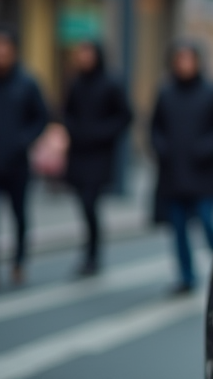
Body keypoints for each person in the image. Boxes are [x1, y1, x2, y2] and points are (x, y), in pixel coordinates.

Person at [151, 41, 213, 293]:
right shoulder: (166, 92)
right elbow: (155, 127)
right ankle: (186, 276)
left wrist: (206, 149)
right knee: (178, 228)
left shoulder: (212, 93)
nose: (183, 64)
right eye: (179, 59)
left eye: (188, 59)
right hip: (174, 173)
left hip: (202, 173)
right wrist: (161, 149)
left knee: (207, 222)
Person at [0, 26, 50, 289]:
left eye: (4, 47)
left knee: (19, 215)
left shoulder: (27, 83)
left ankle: (19, 262)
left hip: (17, 164)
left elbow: (42, 117)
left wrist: (23, 140)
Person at [63, 41, 132, 276]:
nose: (83, 58)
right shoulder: (75, 83)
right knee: (83, 203)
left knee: (90, 202)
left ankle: (92, 254)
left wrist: (100, 133)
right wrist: (73, 130)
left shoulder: (110, 84)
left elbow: (125, 116)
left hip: (99, 156)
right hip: (78, 154)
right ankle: (89, 252)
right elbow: (66, 112)